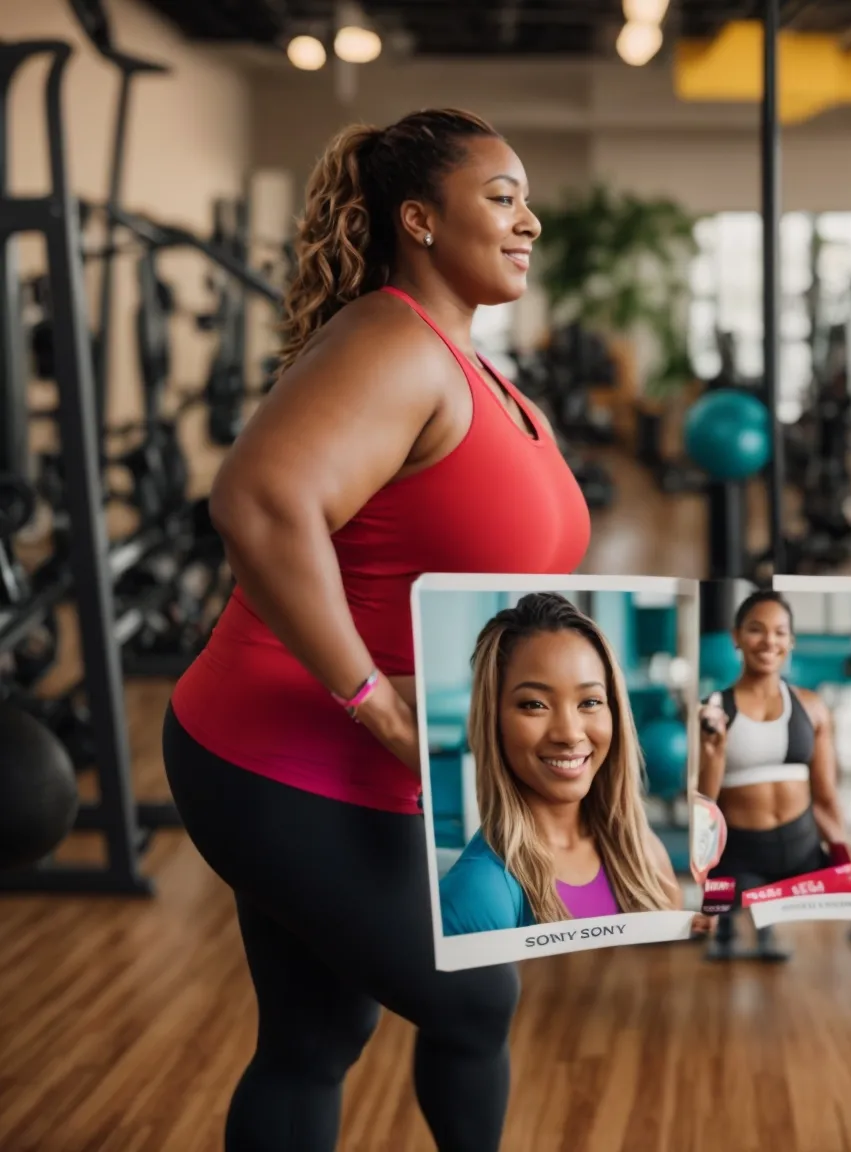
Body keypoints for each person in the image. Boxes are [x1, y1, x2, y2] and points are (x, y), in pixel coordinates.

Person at [161, 110, 586, 1151]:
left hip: (396, 765)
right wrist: (374, 703)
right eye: (502, 197)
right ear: (419, 220)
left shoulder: (474, 368)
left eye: (528, 200)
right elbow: (260, 500)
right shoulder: (393, 341)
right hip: (286, 755)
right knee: (474, 999)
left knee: (314, 1036)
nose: (529, 220)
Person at [437, 594, 693, 935]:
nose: (570, 734)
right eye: (534, 704)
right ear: (493, 721)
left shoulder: (645, 855)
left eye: (590, 701)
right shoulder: (479, 893)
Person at [697, 589, 849, 960]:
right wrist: (714, 750)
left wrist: (842, 852)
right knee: (721, 939)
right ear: (736, 636)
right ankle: (728, 924)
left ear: (791, 640)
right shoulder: (714, 709)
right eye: (756, 630)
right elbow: (706, 804)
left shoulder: (812, 707)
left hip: (800, 849)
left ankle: (765, 925)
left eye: (780, 632)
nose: (769, 641)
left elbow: (826, 794)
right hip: (739, 855)